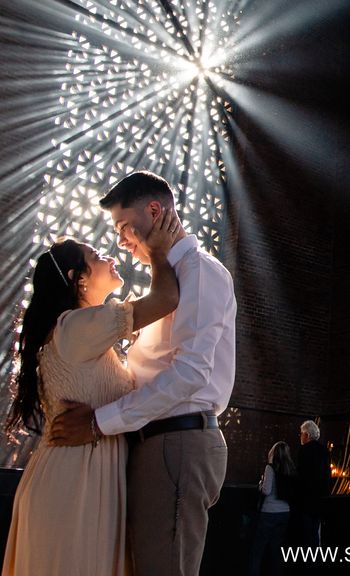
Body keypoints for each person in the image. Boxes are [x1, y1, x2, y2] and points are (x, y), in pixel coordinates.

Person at [49, 171, 238, 576]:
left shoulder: (199, 272)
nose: (120, 241)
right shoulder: (169, 276)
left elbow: (189, 375)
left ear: (155, 211)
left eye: (123, 227)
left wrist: (100, 422)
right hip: (158, 440)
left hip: (179, 440)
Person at [2, 209, 180, 576]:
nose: (110, 256)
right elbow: (165, 297)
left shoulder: (85, 333)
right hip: (74, 487)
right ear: (77, 279)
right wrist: (160, 253)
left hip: (88, 479)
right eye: (97, 257)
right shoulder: (77, 326)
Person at [248, 441, 297, 576]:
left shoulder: (270, 468)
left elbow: (266, 490)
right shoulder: (291, 468)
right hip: (285, 512)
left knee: (257, 550)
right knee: (277, 550)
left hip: (269, 512)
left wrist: (260, 484)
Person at [296, 420, 331, 546]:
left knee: (305, 536)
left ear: (307, 435)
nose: (300, 436)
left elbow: (300, 475)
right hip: (320, 499)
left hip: (306, 500)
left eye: (301, 434)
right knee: (315, 534)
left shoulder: (304, 451)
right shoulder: (324, 450)